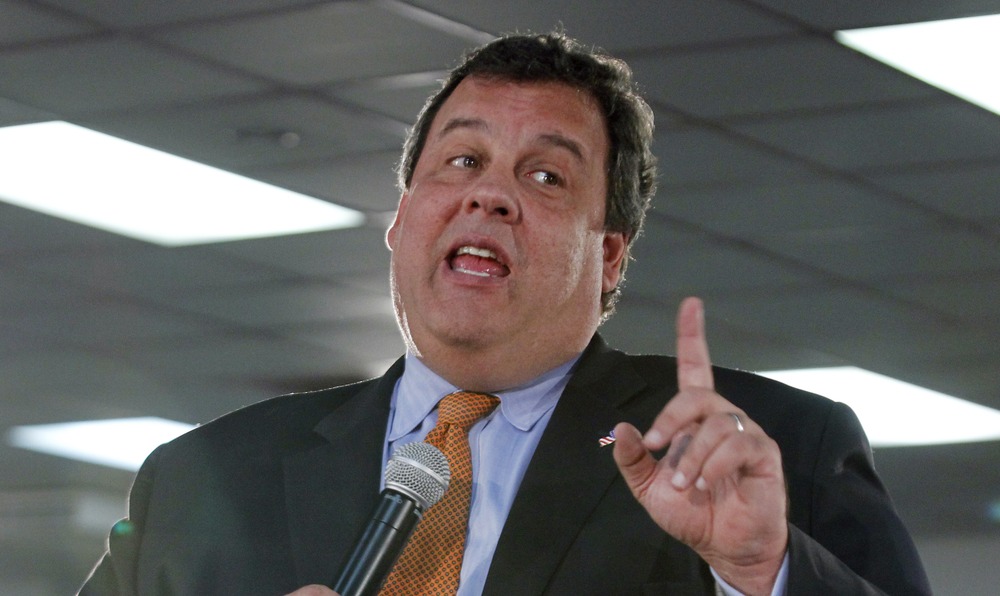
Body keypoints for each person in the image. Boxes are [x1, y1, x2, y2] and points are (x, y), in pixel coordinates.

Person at [80, 32, 930, 595]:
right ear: (404, 216)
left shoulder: (765, 450)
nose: (489, 194)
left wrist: (762, 566)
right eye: (462, 160)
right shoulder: (203, 481)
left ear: (609, 256)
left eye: (546, 176)